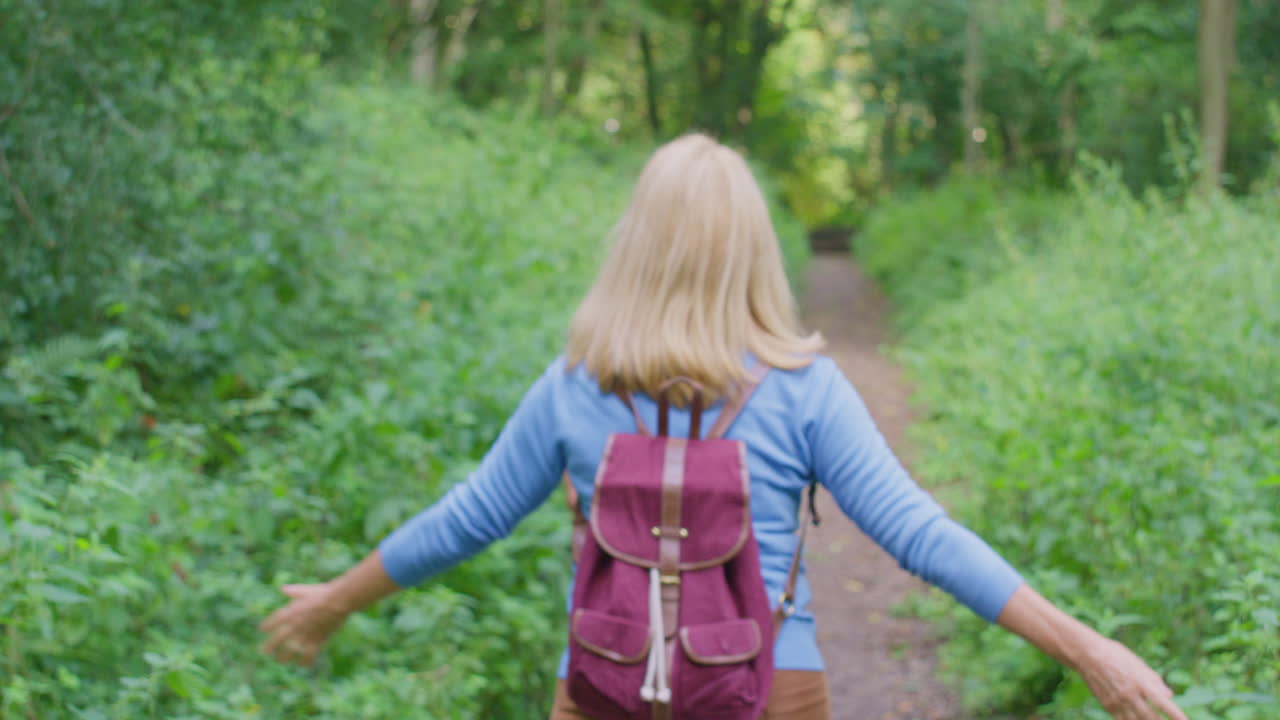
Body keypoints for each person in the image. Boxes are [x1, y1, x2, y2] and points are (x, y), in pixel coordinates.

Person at [259, 133, 1188, 720]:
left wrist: (334, 600)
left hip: (603, 687)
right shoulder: (805, 389)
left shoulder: (573, 385)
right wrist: (1088, 649)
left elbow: (468, 519)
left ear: (635, 244)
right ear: (754, 248)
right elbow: (920, 535)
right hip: (769, 687)